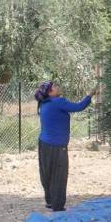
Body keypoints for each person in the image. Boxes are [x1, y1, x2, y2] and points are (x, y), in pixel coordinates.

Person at [34, 81, 98, 212]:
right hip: (57, 146)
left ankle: (50, 202)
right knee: (59, 175)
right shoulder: (58, 102)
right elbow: (79, 107)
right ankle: (58, 206)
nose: (58, 87)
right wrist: (90, 95)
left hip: (44, 144)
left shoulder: (44, 103)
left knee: (47, 173)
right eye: (55, 86)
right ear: (50, 92)